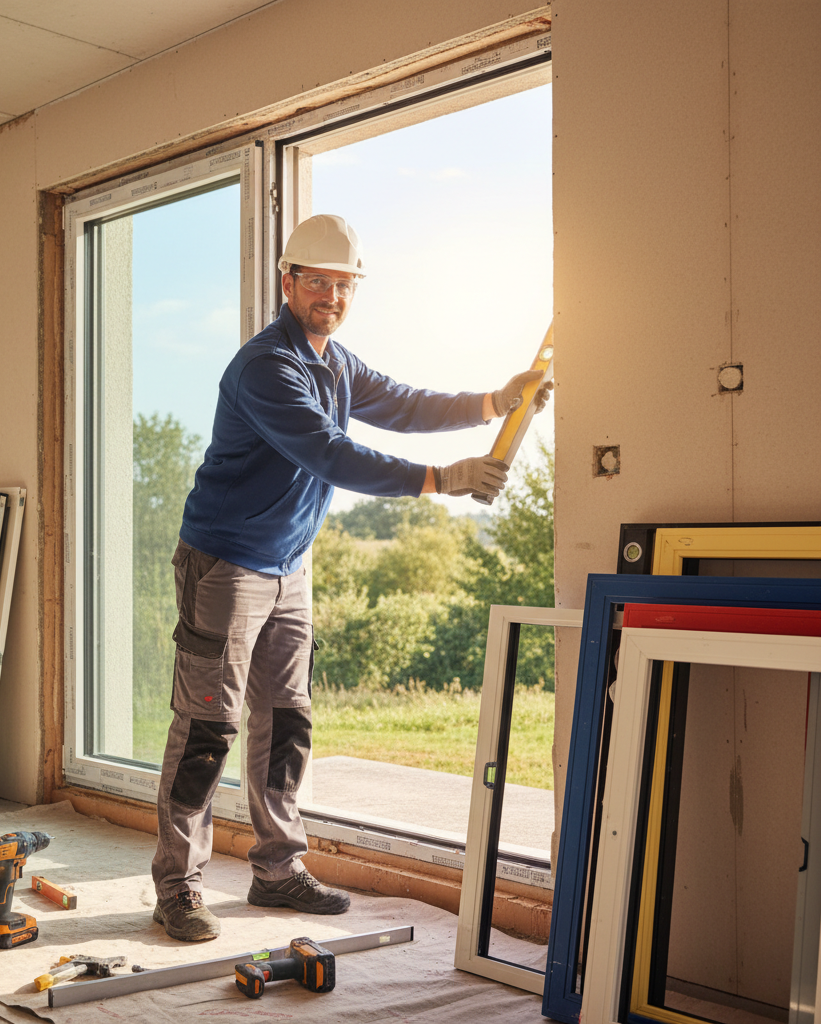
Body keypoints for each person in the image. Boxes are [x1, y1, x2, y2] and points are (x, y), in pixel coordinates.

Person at [150, 214, 551, 941]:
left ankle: (277, 870)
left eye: (343, 285)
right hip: (226, 566)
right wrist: (442, 478)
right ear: (288, 282)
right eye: (318, 282)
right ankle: (177, 886)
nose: (331, 295)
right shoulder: (265, 368)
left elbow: (402, 403)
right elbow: (332, 454)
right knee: (209, 727)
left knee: (287, 722)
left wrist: (498, 401)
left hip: (289, 568)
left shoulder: (337, 362)